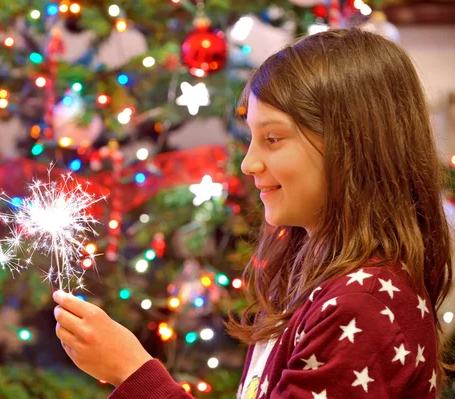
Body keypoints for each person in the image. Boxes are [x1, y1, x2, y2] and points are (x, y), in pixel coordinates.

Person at [53, 28, 453, 398]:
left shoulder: (361, 306)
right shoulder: (311, 275)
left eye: (273, 138)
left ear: (352, 145)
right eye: (251, 139)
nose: (248, 164)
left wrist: (133, 372)